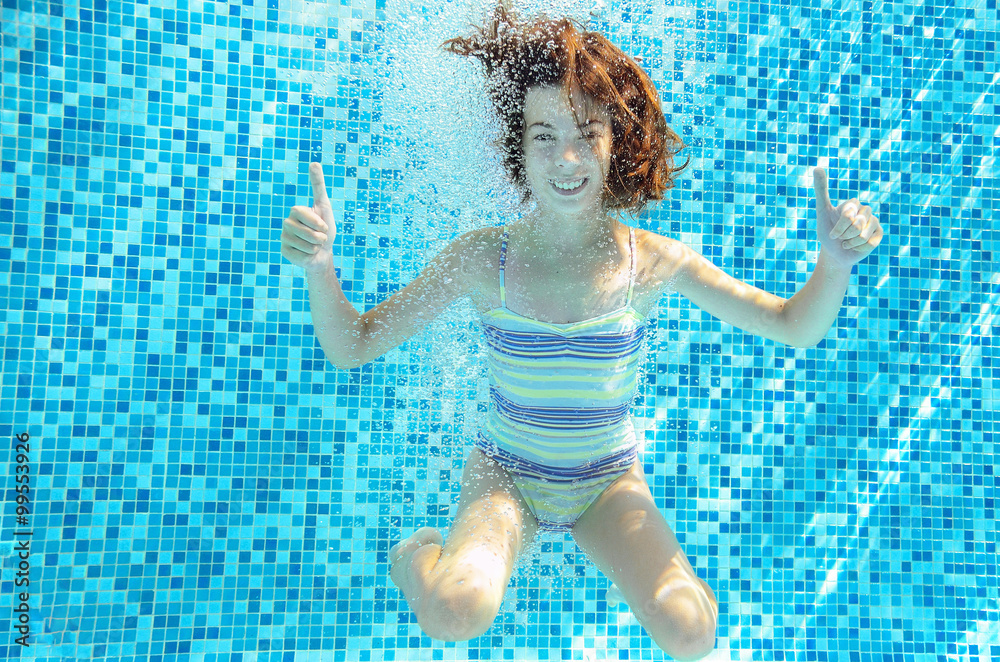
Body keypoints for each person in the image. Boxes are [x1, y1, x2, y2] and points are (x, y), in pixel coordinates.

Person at [280, 6, 883, 661]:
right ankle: (414, 558)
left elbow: (792, 326)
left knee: (692, 633)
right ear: (519, 146)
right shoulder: (484, 259)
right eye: (544, 135)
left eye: (587, 132)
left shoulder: (653, 261)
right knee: (454, 613)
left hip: (608, 482)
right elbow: (353, 345)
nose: (566, 158)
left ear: (614, 141)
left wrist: (835, 263)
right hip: (507, 475)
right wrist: (319, 269)